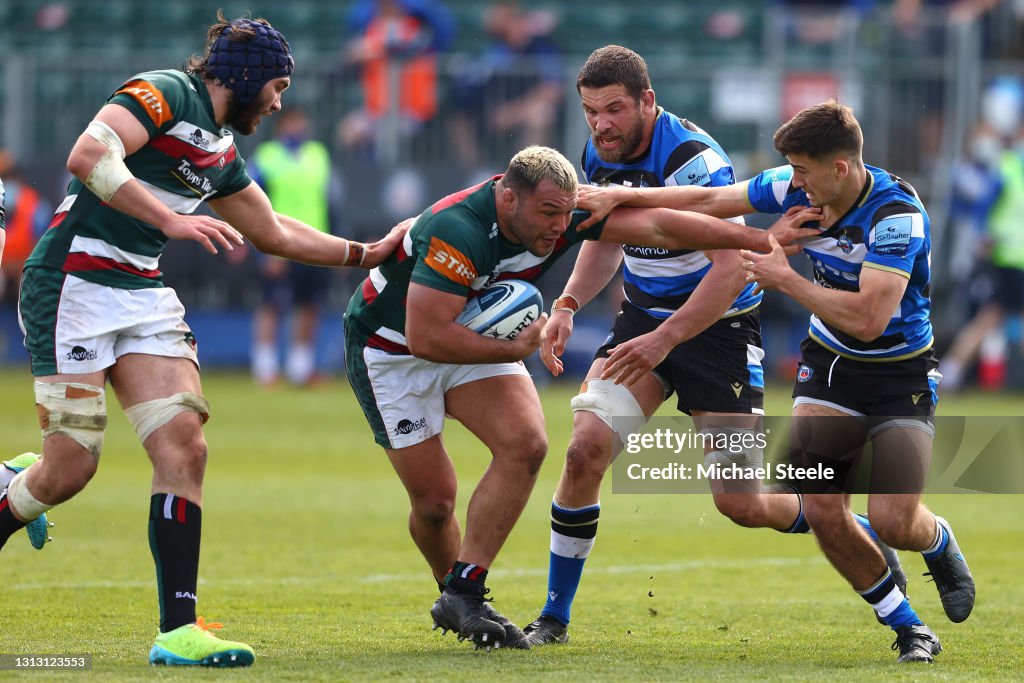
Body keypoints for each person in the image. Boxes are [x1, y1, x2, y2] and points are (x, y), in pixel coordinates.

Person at [0, 13, 403, 668]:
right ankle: (18, 484)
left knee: (186, 445)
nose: (278, 102)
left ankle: (177, 629)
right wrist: (170, 220)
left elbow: (274, 231)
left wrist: (370, 253)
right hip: (70, 283)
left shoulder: (219, 149)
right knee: (70, 468)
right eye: (275, 86)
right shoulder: (162, 91)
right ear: (243, 77)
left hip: (141, 294)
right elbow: (88, 154)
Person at [343, 145, 817, 651]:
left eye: (565, 214)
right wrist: (516, 346)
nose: (558, 226)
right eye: (547, 213)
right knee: (436, 503)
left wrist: (762, 240)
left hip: (474, 332)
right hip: (392, 351)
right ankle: (457, 594)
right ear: (508, 198)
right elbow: (425, 338)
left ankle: (465, 590)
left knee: (527, 446)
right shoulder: (458, 231)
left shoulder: (565, 212)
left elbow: (663, 227)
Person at [522, 45, 901, 648]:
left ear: (648, 100)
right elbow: (605, 237)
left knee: (743, 503)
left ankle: (854, 532)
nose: (601, 124)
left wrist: (665, 339)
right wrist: (568, 303)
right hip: (643, 319)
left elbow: (736, 267)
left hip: (718, 330)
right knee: (584, 450)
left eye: (614, 109)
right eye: (591, 111)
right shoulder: (600, 151)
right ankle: (553, 617)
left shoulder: (694, 160)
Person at [574, 100, 976, 664]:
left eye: (804, 171)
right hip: (830, 367)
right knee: (820, 504)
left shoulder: (895, 216)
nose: (794, 183)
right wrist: (623, 196)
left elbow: (869, 319)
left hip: (898, 372)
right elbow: (712, 200)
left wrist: (784, 276)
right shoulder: (798, 185)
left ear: (840, 168)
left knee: (894, 518)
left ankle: (936, 540)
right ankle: (907, 627)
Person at [248, 107, 338, 387]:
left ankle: (301, 368)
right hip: (279, 243)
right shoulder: (266, 158)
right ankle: (266, 369)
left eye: (301, 122)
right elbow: (250, 202)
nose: (298, 127)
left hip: (315, 242)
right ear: (281, 126)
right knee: (271, 305)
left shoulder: (318, 155)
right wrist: (261, 249)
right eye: (293, 122)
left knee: (310, 305)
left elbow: (331, 201)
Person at [449, 0, 565, 168]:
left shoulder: (542, 48)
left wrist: (513, 112)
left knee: (540, 114)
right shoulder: (494, 49)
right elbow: (468, 86)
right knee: (457, 114)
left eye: (512, 19)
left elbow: (553, 89)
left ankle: (527, 172)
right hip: (490, 114)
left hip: (519, 114)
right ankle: (473, 174)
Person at [0, 151, 53, 306]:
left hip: (24, 277)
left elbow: (44, 252)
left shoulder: (37, 208)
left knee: (28, 281)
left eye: (8, 177)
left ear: (18, 178)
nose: (4, 183)